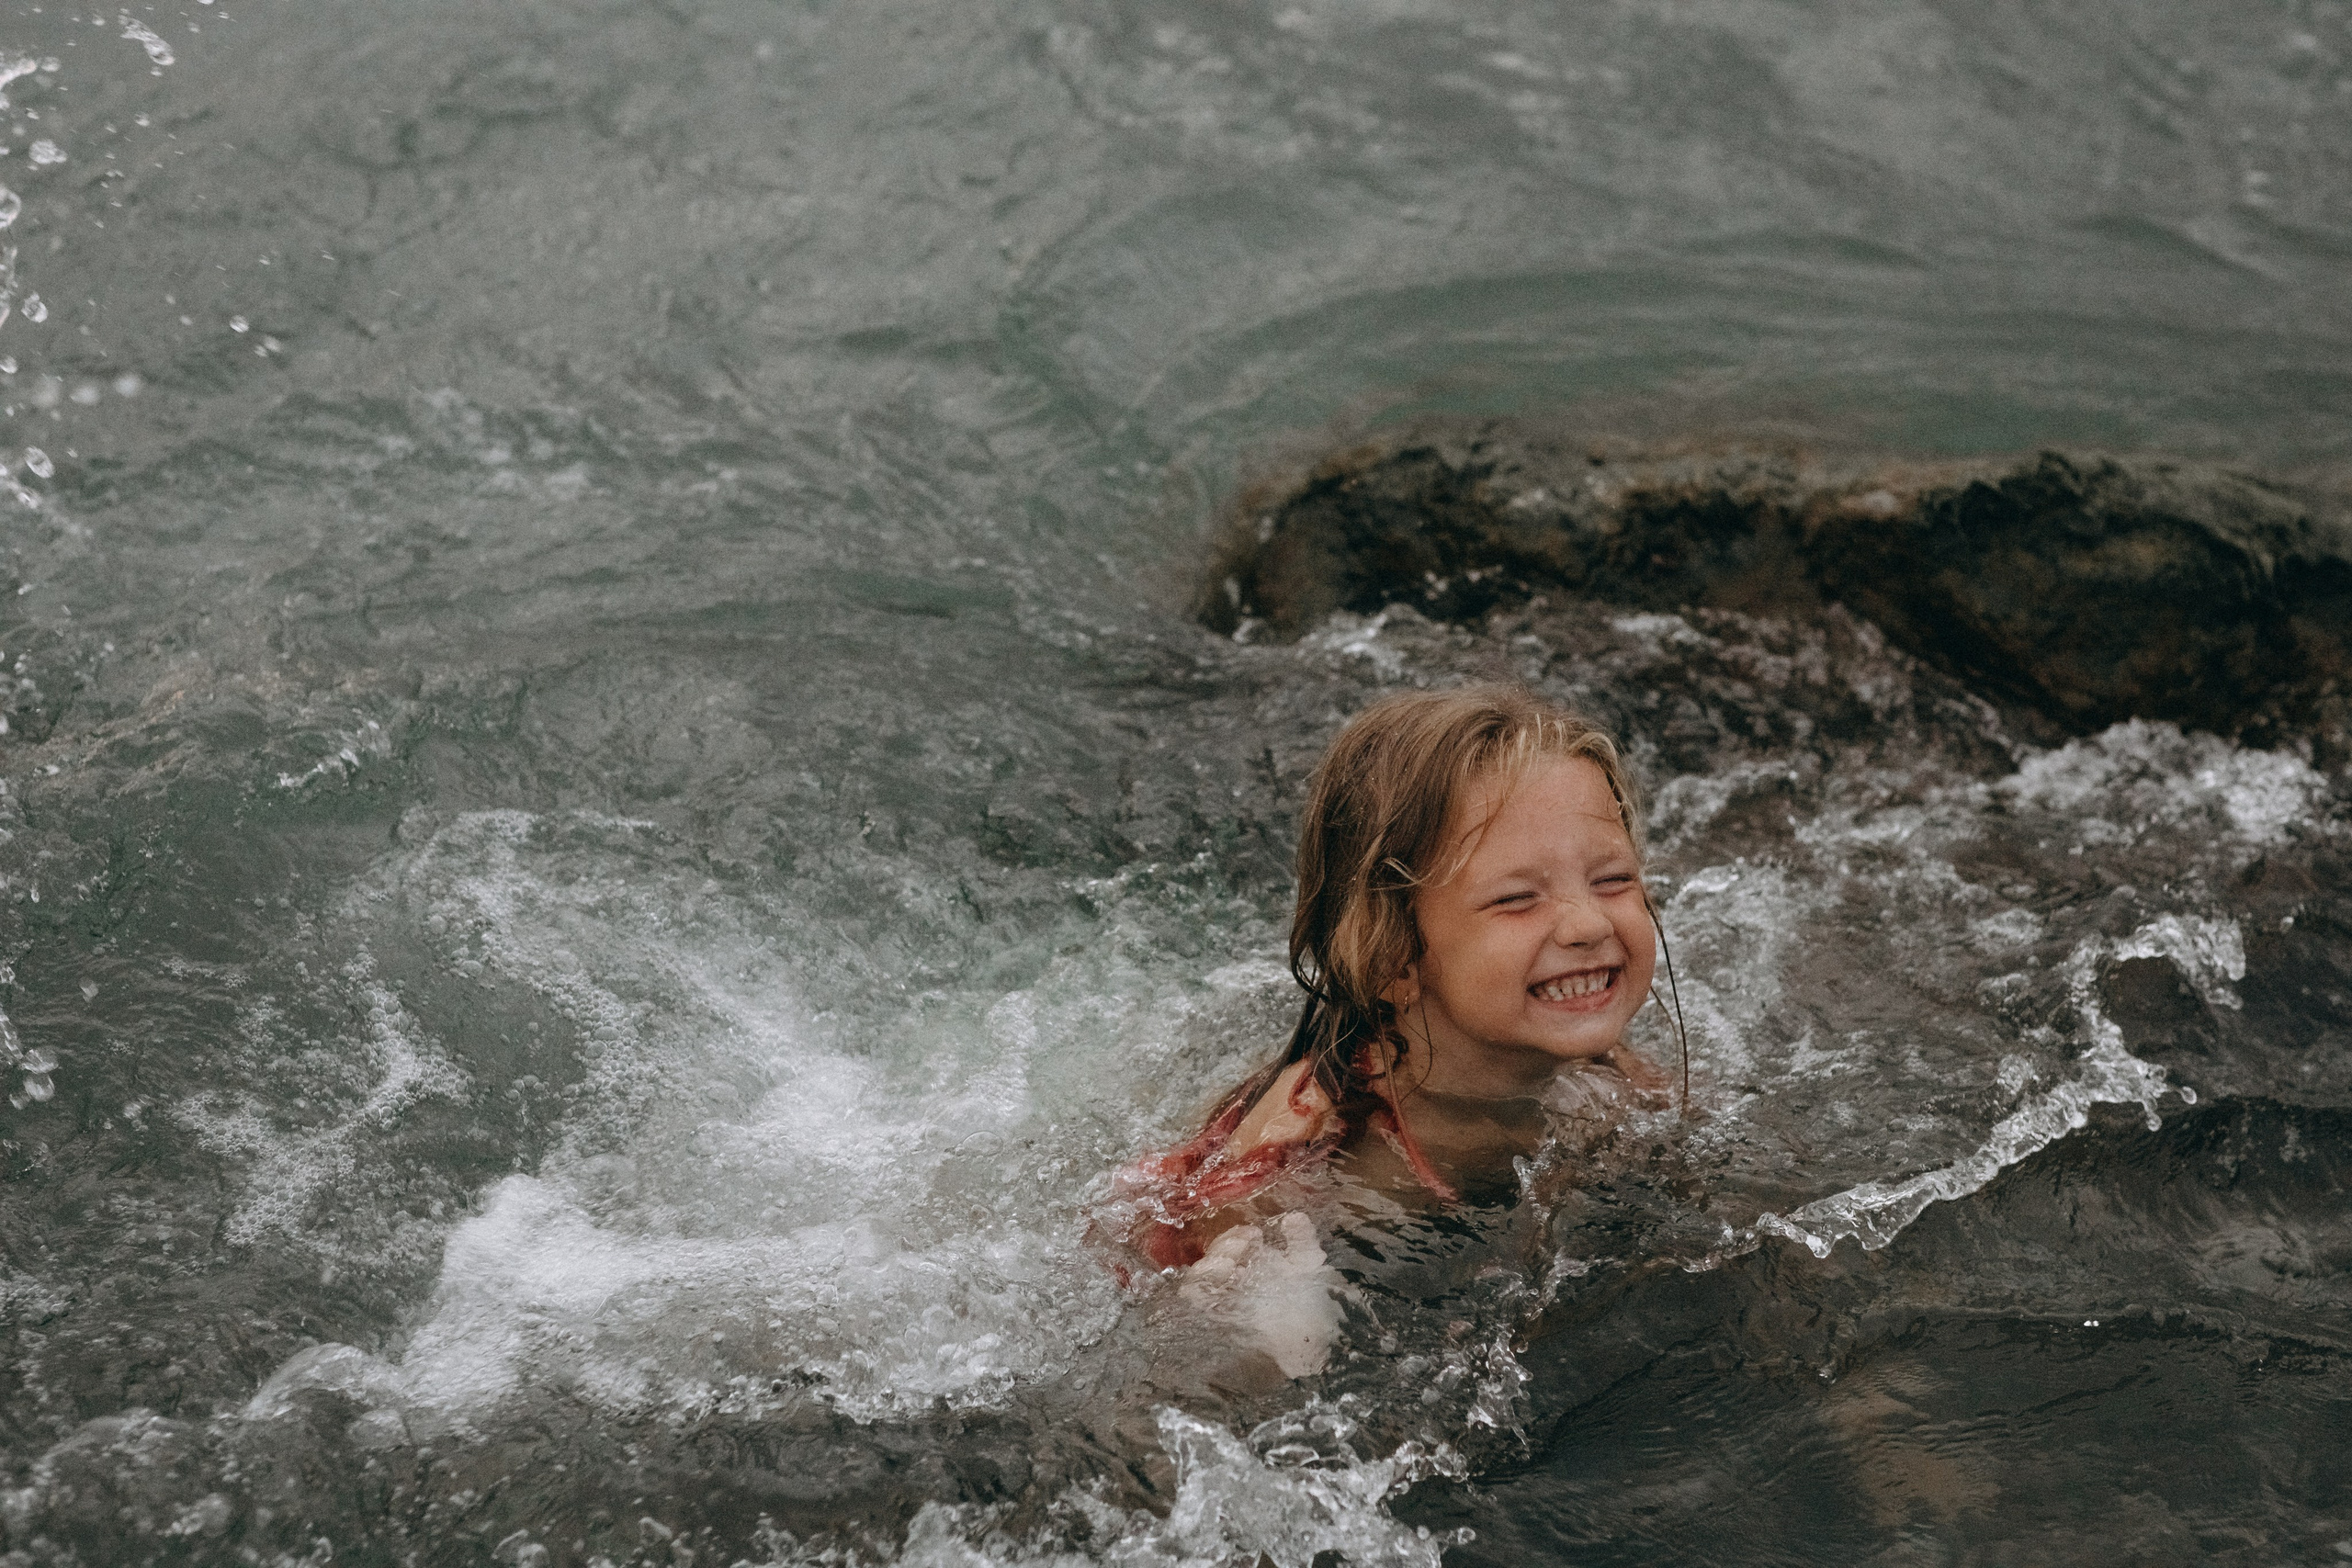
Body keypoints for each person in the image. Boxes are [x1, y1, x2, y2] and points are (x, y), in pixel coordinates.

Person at [1109, 684, 1680, 1276]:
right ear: (1391, 958)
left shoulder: (1606, 1067)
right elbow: (1197, 1338)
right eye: (1516, 899)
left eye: (1613, 879)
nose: (1588, 924)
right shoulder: (1297, 1166)